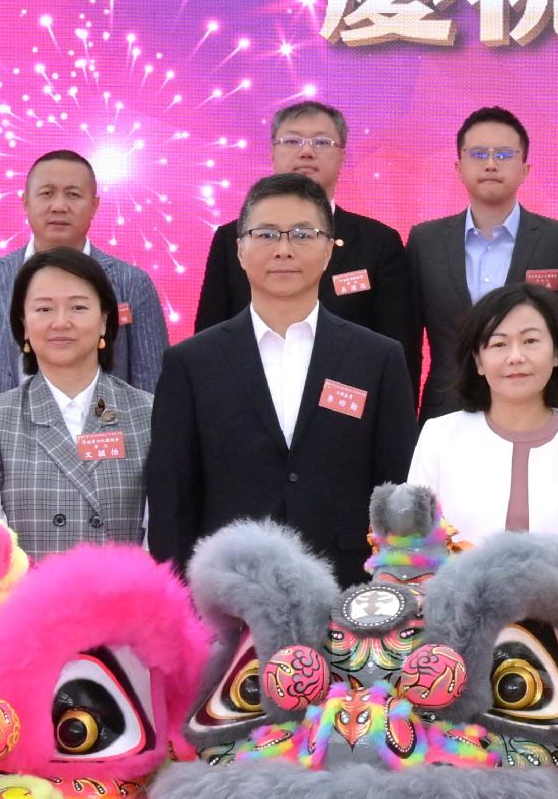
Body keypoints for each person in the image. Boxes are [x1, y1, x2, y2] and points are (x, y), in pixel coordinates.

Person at [146, 172, 420, 581]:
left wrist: (393, 589)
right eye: (267, 234)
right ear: (240, 250)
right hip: (228, 587)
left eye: (304, 235)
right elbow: (173, 496)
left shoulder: (377, 358)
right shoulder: (191, 362)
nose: (284, 249)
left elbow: (397, 485)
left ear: (329, 251)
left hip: (348, 587)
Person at [0, 246, 152, 560]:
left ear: (105, 321)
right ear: (23, 325)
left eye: (78, 308)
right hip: (22, 607)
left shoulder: (152, 416)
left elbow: (165, 540)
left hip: (130, 604)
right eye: (44, 309)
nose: (61, 322)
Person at [407, 283, 558, 570]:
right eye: (499, 344)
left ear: (557, 353)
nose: (516, 357)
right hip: (455, 611)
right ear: (478, 361)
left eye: (530, 341)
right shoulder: (439, 437)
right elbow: (413, 557)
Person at [0, 149, 169, 403]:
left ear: (95, 205)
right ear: (25, 202)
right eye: (47, 193)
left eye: (73, 195)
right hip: (6, 439)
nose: (59, 206)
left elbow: (154, 392)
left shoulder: (132, 283)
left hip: (102, 437)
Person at [193, 99, 420, 353]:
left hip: (346, 390)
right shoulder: (231, 238)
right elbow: (207, 344)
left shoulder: (378, 243)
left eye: (322, 142)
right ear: (272, 152)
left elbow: (400, 351)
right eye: (292, 141)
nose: (306, 152)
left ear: (343, 155)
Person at [407, 105, 558, 413]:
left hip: (537, 410)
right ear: (458, 167)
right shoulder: (425, 241)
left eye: (504, 155)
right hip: (447, 410)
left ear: (525, 169)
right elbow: (407, 342)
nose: (491, 164)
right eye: (478, 154)